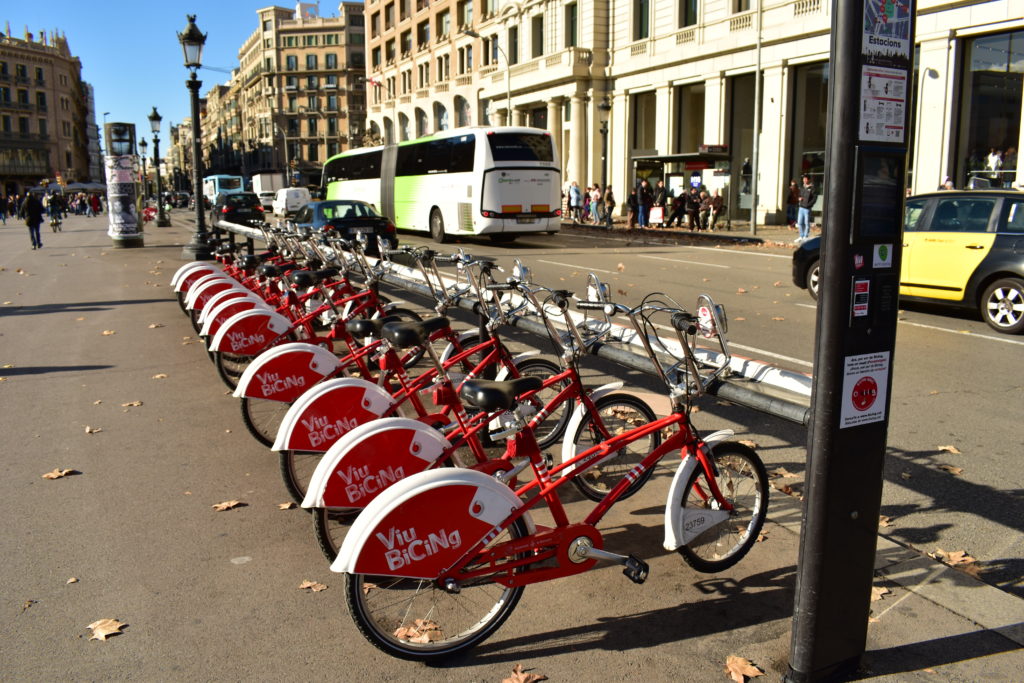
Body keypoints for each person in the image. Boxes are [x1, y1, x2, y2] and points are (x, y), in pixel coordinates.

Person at [797, 174, 816, 243]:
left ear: (808, 180)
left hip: (807, 208)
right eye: (803, 179)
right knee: (799, 223)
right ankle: (801, 236)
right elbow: (799, 195)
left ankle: (805, 236)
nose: (804, 180)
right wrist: (799, 198)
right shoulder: (802, 187)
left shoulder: (812, 188)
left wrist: (809, 205)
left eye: (805, 179)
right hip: (801, 207)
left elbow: (814, 199)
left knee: (806, 223)